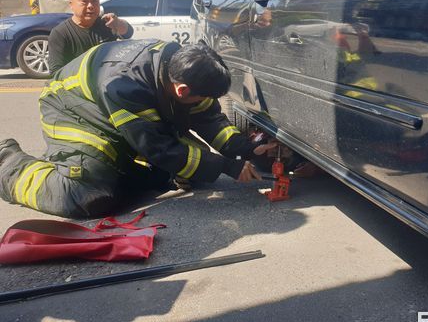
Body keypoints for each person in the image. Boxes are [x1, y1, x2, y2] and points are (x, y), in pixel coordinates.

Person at [0, 40, 275, 218]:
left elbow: (210, 119)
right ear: (181, 89)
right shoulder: (125, 85)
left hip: (116, 112)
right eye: (203, 98)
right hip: (73, 110)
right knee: (90, 196)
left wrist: (246, 149)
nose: (207, 104)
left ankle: (116, 169)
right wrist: (227, 166)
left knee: (187, 170)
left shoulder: (180, 67)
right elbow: (156, 147)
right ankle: (8, 165)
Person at [48, 0, 134, 75]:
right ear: (71, 5)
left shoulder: (106, 23)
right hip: (80, 84)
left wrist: (118, 23)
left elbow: (128, 33)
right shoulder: (60, 33)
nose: (90, 6)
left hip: (109, 80)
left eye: (94, 0)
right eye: (84, 1)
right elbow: (56, 72)